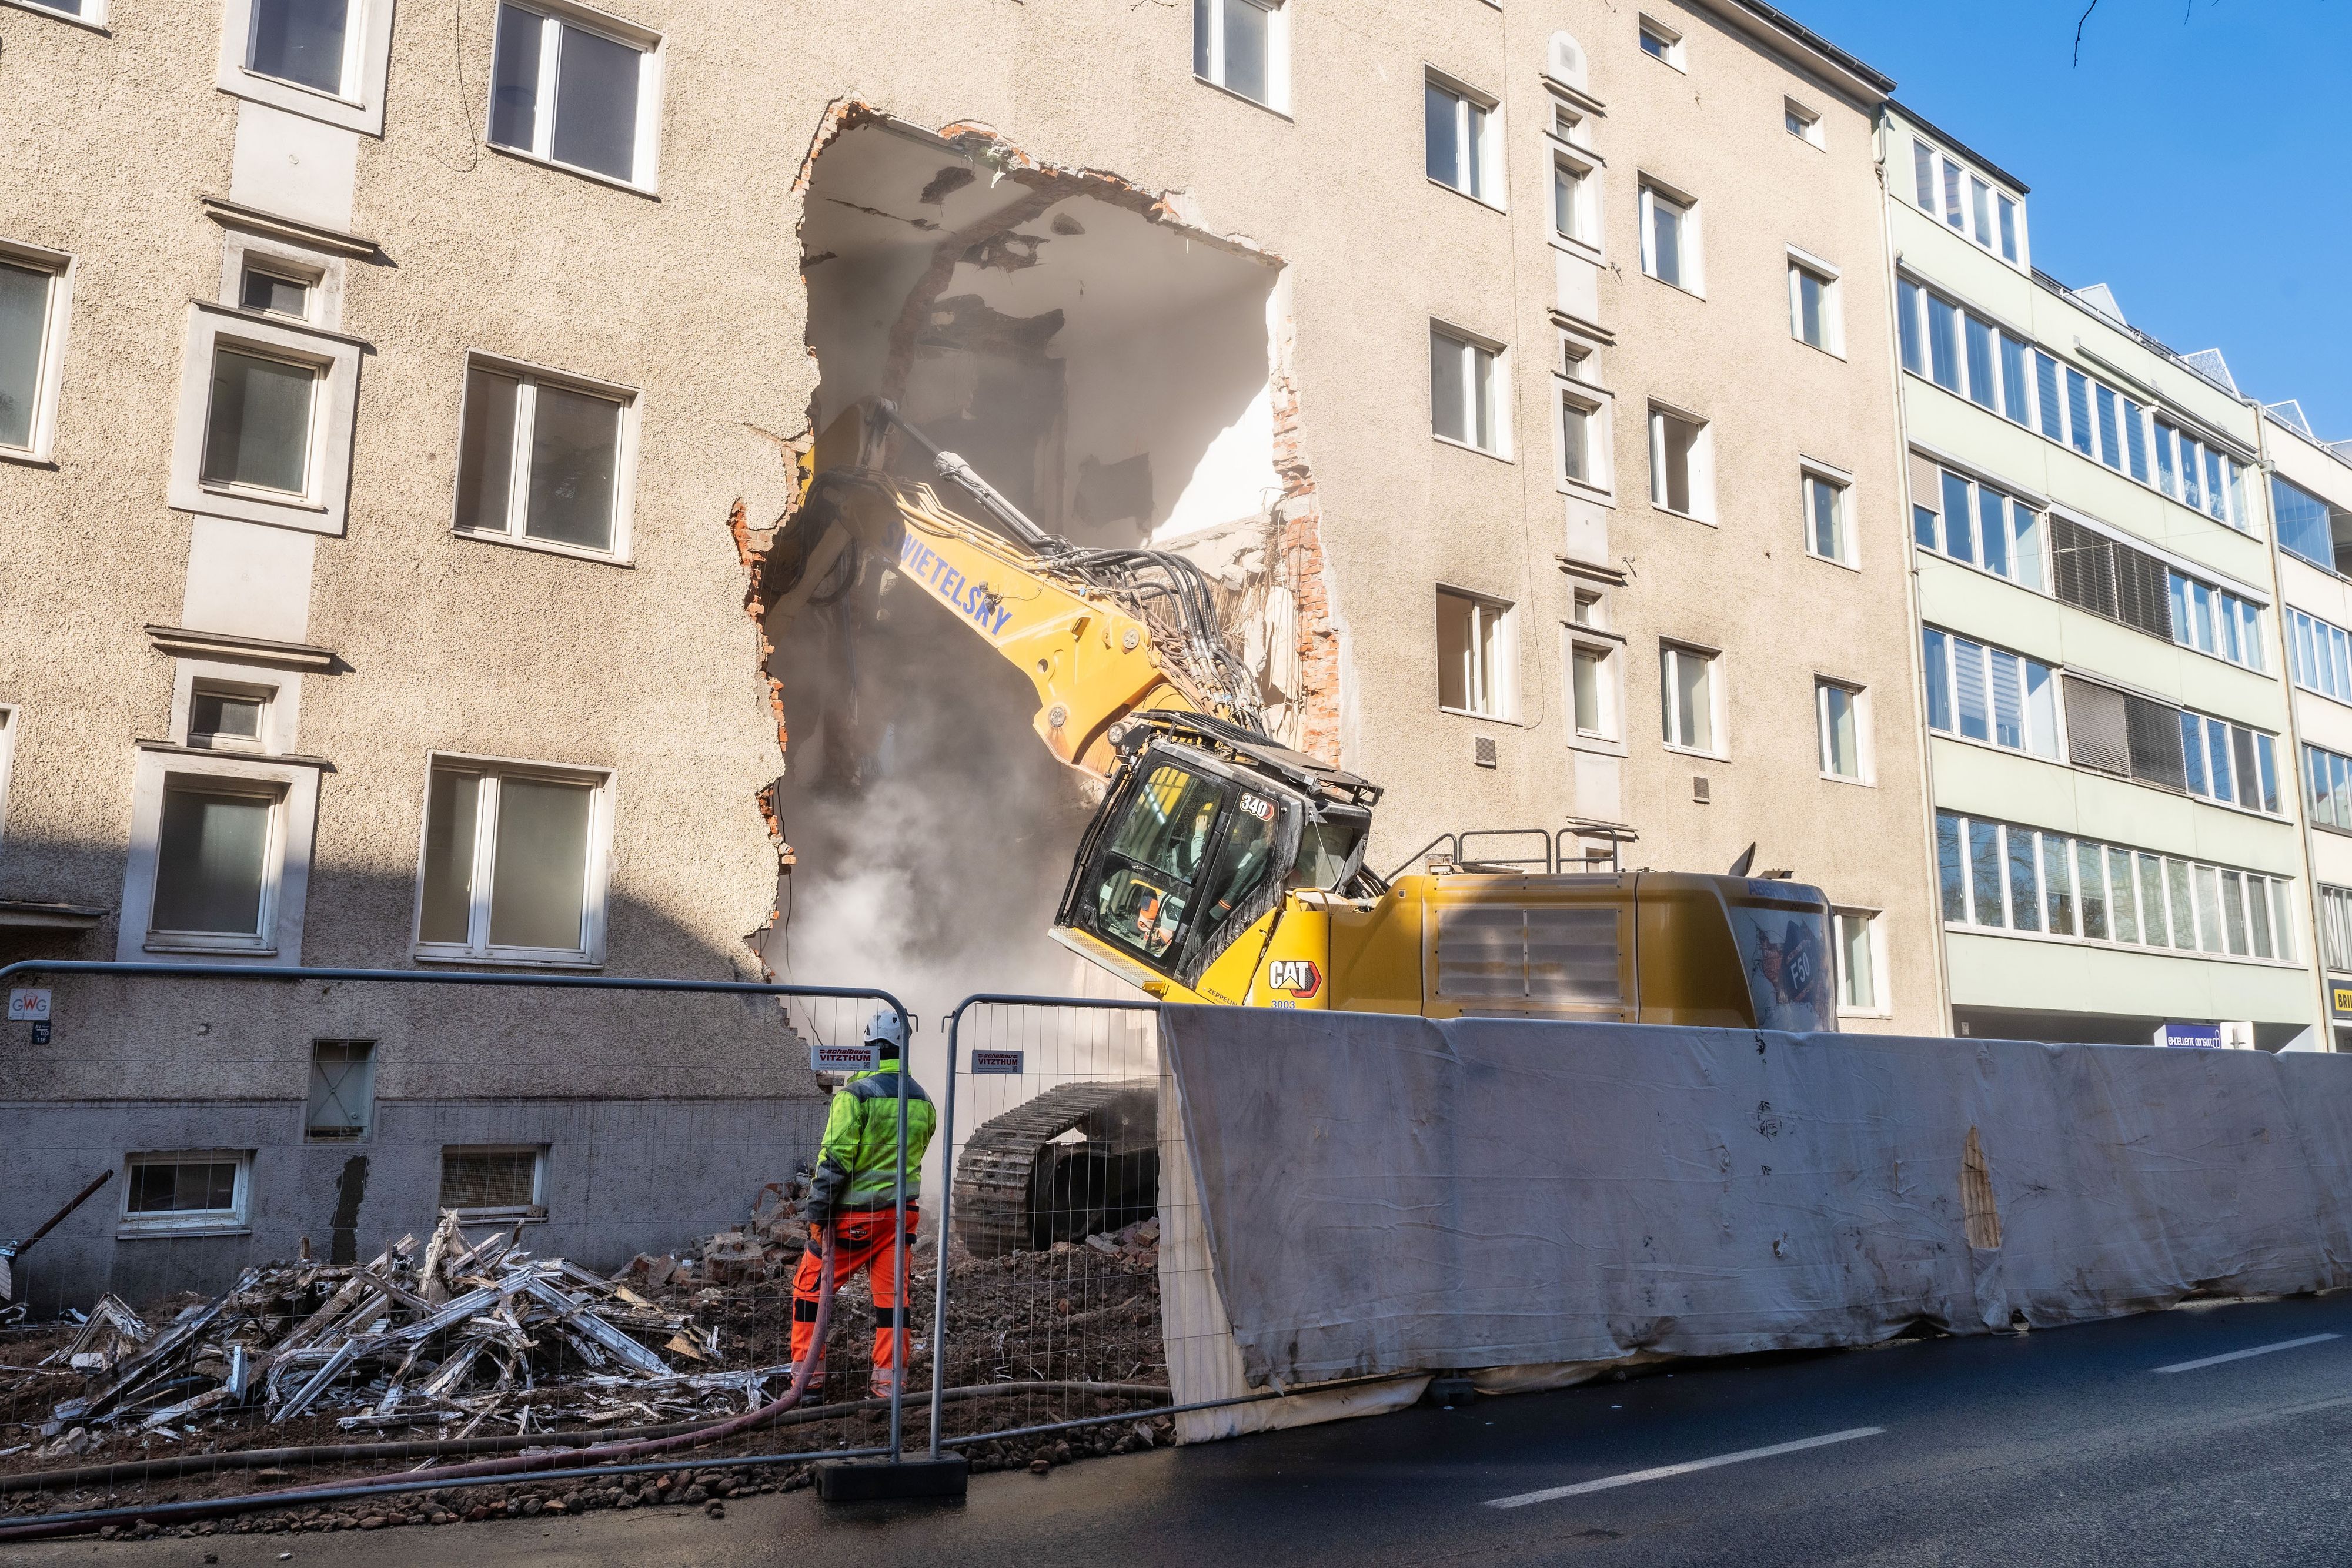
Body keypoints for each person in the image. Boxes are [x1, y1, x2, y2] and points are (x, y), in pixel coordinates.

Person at [791, 1008, 937, 1399]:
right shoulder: (923, 1099)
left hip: (855, 1218)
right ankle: (889, 1387)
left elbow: (834, 1160)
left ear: (870, 1045)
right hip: (900, 1218)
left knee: (809, 1287)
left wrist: (818, 1214)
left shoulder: (856, 1094)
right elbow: (916, 1153)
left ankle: (808, 1382)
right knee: (893, 1301)